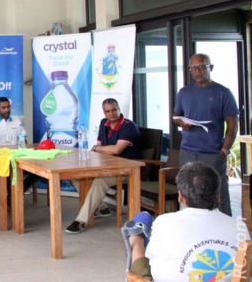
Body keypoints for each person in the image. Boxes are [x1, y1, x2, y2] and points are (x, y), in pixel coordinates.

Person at [124, 162, 249, 281]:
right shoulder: (240, 226)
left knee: (140, 247)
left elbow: (151, 259)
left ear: (180, 196)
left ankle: (137, 237)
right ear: (218, 196)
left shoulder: (164, 222)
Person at [173, 53, 239, 216]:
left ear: (210, 68)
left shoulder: (223, 92)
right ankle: (192, 226)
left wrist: (225, 149)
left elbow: (232, 124)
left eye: (201, 67)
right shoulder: (184, 92)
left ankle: (224, 227)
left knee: (218, 192)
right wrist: (182, 123)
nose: (197, 71)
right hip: (188, 150)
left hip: (212, 152)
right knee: (188, 191)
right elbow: (176, 117)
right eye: (193, 68)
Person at [66, 98, 141, 234]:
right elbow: (101, 146)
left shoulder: (129, 126)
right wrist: (98, 149)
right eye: (107, 111)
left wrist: (97, 148)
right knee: (76, 176)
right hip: (107, 166)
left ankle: (81, 220)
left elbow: (116, 150)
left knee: (99, 181)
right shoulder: (103, 123)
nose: (111, 114)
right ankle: (101, 207)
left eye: (114, 110)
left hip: (127, 170)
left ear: (119, 109)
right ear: (104, 112)